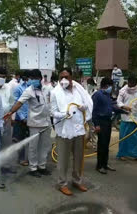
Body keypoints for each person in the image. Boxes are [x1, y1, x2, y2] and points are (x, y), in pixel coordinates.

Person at [50, 68, 93, 196]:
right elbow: (53, 112)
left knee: (79, 158)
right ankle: (62, 183)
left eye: (66, 77)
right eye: (61, 77)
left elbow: (86, 102)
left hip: (78, 129)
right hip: (64, 131)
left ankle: (77, 180)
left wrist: (84, 107)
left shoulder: (79, 89)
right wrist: (64, 114)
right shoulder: (55, 93)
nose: (64, 80)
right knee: (63, 159)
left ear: (71, 77)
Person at [4, 69, 52, 177]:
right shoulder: (28, 90)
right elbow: (19, 103)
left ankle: (42, 166)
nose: (32, 81)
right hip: (34, 123)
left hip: (46, 122)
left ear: (40, 79)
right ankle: (33, 168)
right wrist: (11, 112)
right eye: (31, 79)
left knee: (44, 146)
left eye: (35, 79)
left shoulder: (47, 88)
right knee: (33, 147)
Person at [92, 77, 124, 174]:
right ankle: (100, 166)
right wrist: (96, 124)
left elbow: (113, 106)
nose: (112, 88)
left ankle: (105, 164)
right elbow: (93, 111)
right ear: (106, 85)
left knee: (106, 144)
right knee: (101, 144)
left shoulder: (107, 95)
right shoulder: (97, 95)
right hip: (101, 122)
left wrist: (124, 111)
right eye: (111, 86)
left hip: (107, 122)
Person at [116, 74, 137, 162]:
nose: (132, 86)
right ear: (128, 82)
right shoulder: (123, 91)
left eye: (134, 84)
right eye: (130, 84)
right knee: (124, 137)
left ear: (136, 83)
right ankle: (122, 154)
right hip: (126, 117)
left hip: (136, 118)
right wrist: (124, 107)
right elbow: (118, 102)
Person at [0, 67, 16, 173]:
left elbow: (12, 102)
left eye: (3, 77)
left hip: (6, 120)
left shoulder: (8, 88)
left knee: (6, 143)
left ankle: (5, 165)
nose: (1, 79)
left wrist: (11, 116)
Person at [12, 70, 30, 166]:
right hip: (20, 119)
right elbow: (16, 104)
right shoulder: (18, 88)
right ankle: (21, 158)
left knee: (30, 139)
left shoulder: (31, 88)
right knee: (21, 140)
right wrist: (23, 117)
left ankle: (30, 157)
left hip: (30, 118)